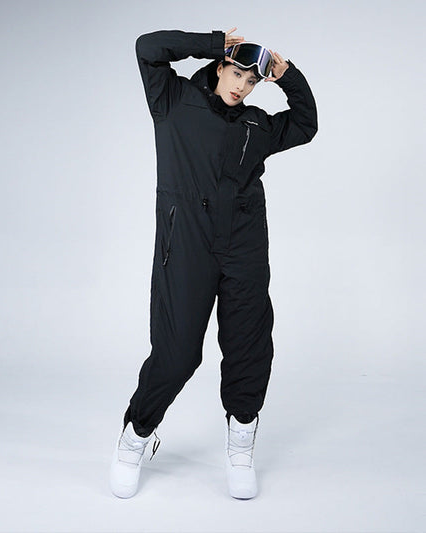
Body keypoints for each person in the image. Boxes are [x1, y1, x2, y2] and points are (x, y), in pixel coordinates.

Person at [110, 27, 317, 499]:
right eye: (236, 73)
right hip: (187, 244)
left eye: (251, 81)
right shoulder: (173, 101)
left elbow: (306, 124)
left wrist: (288, 76)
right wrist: (212, 40)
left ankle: (241, 439)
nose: (241, 86)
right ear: (220, 67)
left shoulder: (257, 126)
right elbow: (147, 48)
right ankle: (136, 434)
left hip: (244, 245)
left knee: (248, 346)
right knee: (177, 352)